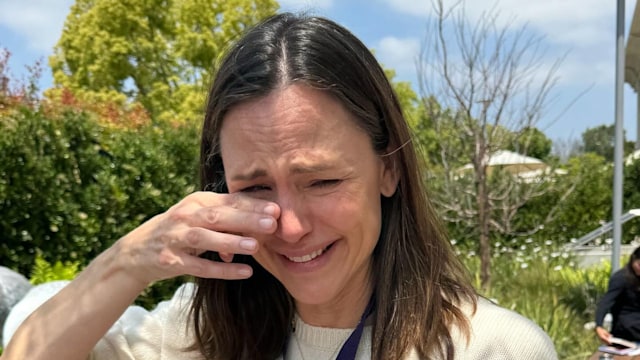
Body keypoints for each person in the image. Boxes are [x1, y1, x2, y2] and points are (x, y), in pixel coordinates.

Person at [1, 13, 557, 360]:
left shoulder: (492, 348)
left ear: (389, 168)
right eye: (255, 187)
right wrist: (131, 260)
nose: (289, 225)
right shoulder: (198, 333)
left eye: (322, 180)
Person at [595, 247, 640, 345]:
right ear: (633, 259)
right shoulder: (621, 278)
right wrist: (599, 325)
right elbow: (606, 302)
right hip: (626, 326)